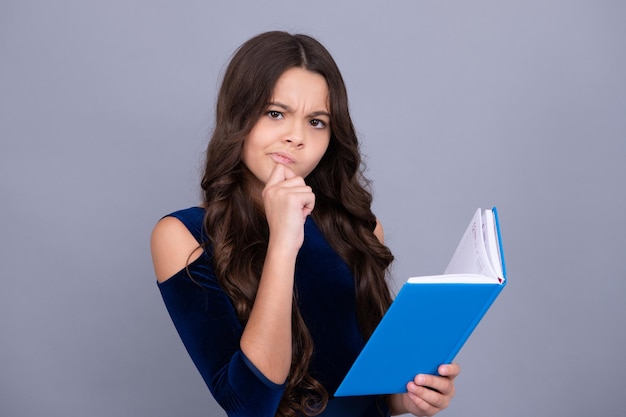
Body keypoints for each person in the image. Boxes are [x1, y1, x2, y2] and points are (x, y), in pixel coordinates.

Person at [150, 31, 460, 417]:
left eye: (316, 121)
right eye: (275, 113)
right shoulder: (182, 236)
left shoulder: (357, 229)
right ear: (238, 116)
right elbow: (249, 404)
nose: (296, 137)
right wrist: (283, 242)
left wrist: (412, 395)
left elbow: (369, 389)